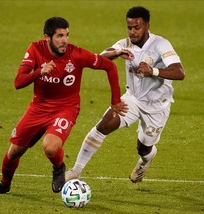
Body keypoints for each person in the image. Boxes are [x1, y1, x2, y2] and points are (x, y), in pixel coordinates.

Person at [0, 17, 128, 194]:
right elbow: (18, 82)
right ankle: (4, 184)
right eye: (60, 36)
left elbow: (109, 66)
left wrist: (115, 100)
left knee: (50, 146)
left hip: (66, 108)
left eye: (67, 35)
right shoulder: (35, 49)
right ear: (47, 37)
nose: (65, 40)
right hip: (38, 107)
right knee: (13, 152)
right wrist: (39, 72)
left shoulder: (76, 54)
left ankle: (59, 168)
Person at [65, 6, 185, 183]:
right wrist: (117, 52)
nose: (132, 32)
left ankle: (145, 160)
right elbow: (100, 57)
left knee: (143, 148)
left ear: (147, 26)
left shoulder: (161, 44)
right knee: (104, 125)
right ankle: (76, 170)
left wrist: (154, 70)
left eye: (137, 27)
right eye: (129, 28)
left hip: (157, 106)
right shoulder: (125, 44)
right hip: (133, 99)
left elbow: (179, 72)